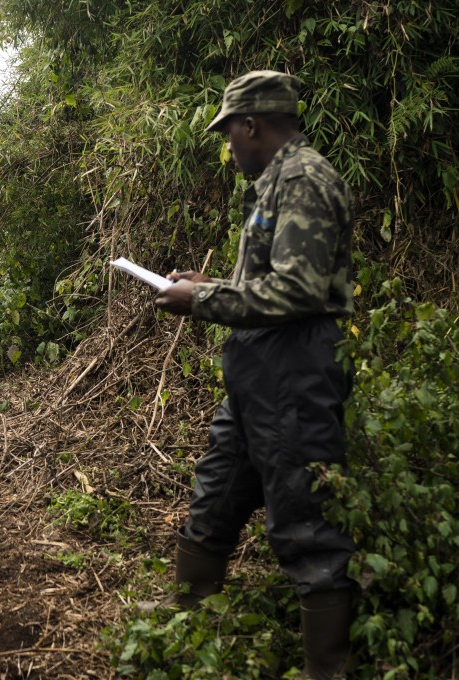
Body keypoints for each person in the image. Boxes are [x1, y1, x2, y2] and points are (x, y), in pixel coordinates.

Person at [154, 71, 356, 679]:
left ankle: (327, 667)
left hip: (294, 372)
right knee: (216, 491)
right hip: (256, 374)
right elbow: (268, 281)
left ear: (252, 125)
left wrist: (205, 302)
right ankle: (190, 622)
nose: (229, 147)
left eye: (230, 133)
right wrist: (207, 286)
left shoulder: (303, 179)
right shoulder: (274, 183)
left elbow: (298, 291)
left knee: (305, 517)